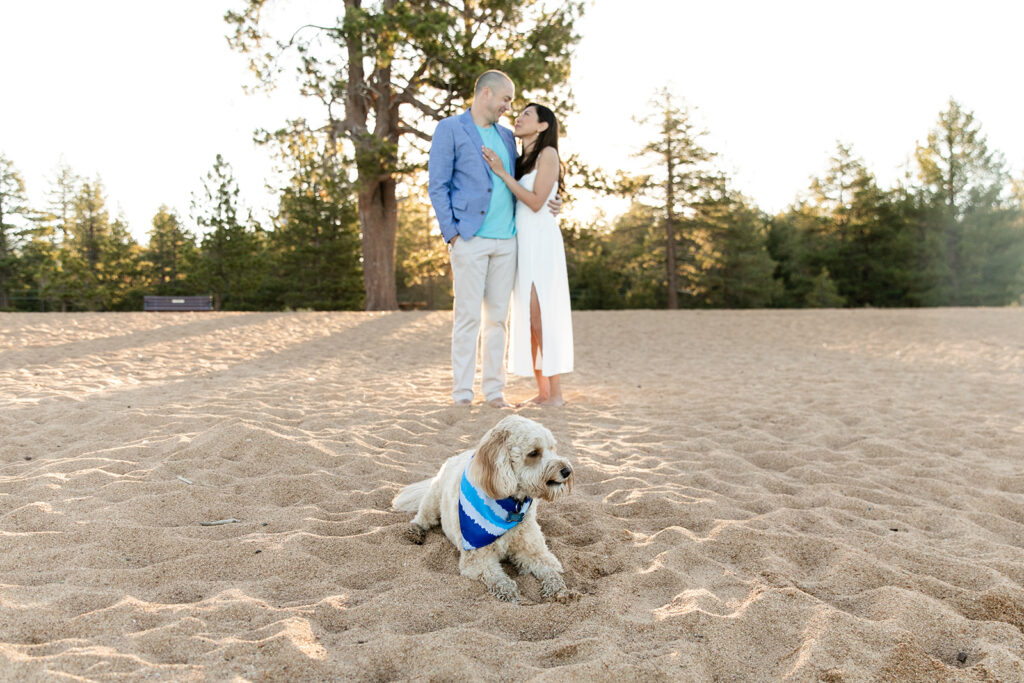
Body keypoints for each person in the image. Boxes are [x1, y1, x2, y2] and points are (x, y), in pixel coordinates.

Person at [428, 70, 560, 408]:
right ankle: (461, 394)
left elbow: (526, 181)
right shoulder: (450, 129)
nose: (508, 108)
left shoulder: (506, 136)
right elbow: (437, 185)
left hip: (508, 242)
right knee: (468, 317)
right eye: (506, 99)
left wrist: (552, 201)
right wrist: (453, 234)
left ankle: (494, 392)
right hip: (469, 239)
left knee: (498, 319)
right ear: (486, 93)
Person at [483, 104, 573, 406]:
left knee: (540, 316)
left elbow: (536, 202)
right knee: (529, 318)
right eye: (518, 114)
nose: (518, 118)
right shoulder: (522, 160)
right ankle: (543, 391)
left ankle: (556, 394)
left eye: (527, 115)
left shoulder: (548, 154)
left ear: (543, 126)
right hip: (524, 243)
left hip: (542, 244)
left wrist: (501, 173)